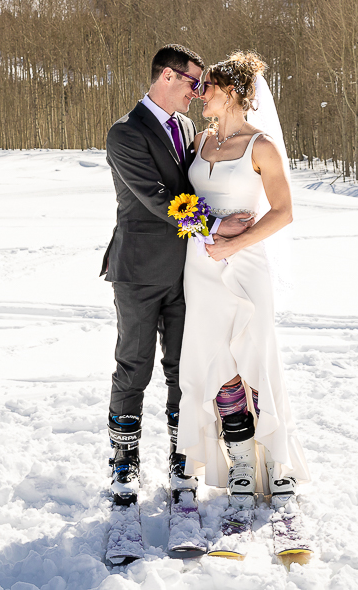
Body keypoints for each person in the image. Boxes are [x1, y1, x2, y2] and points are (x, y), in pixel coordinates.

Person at [100, 44, 251, 508]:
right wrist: (212, 225)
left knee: (182, 370)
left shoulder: (187, 127)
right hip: (140, 272)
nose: (197, 92)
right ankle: (123, 466)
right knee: (134, 367)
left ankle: (180, 458)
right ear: (167, 76)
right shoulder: (124, 134)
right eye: (192, 82)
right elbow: (155, 195)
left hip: (186, 272)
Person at [176, 50, 310, 532]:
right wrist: (208, 235)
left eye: (206, 87)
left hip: (246, 266)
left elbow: (283, 212)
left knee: (256, 358)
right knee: (218, 366)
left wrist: (234, 243)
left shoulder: (262, 147)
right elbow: (181, 200)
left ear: (231, 92)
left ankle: (276, 466)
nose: (198, 95)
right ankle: (239, 468)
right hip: (201, 265)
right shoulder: (200, 140)